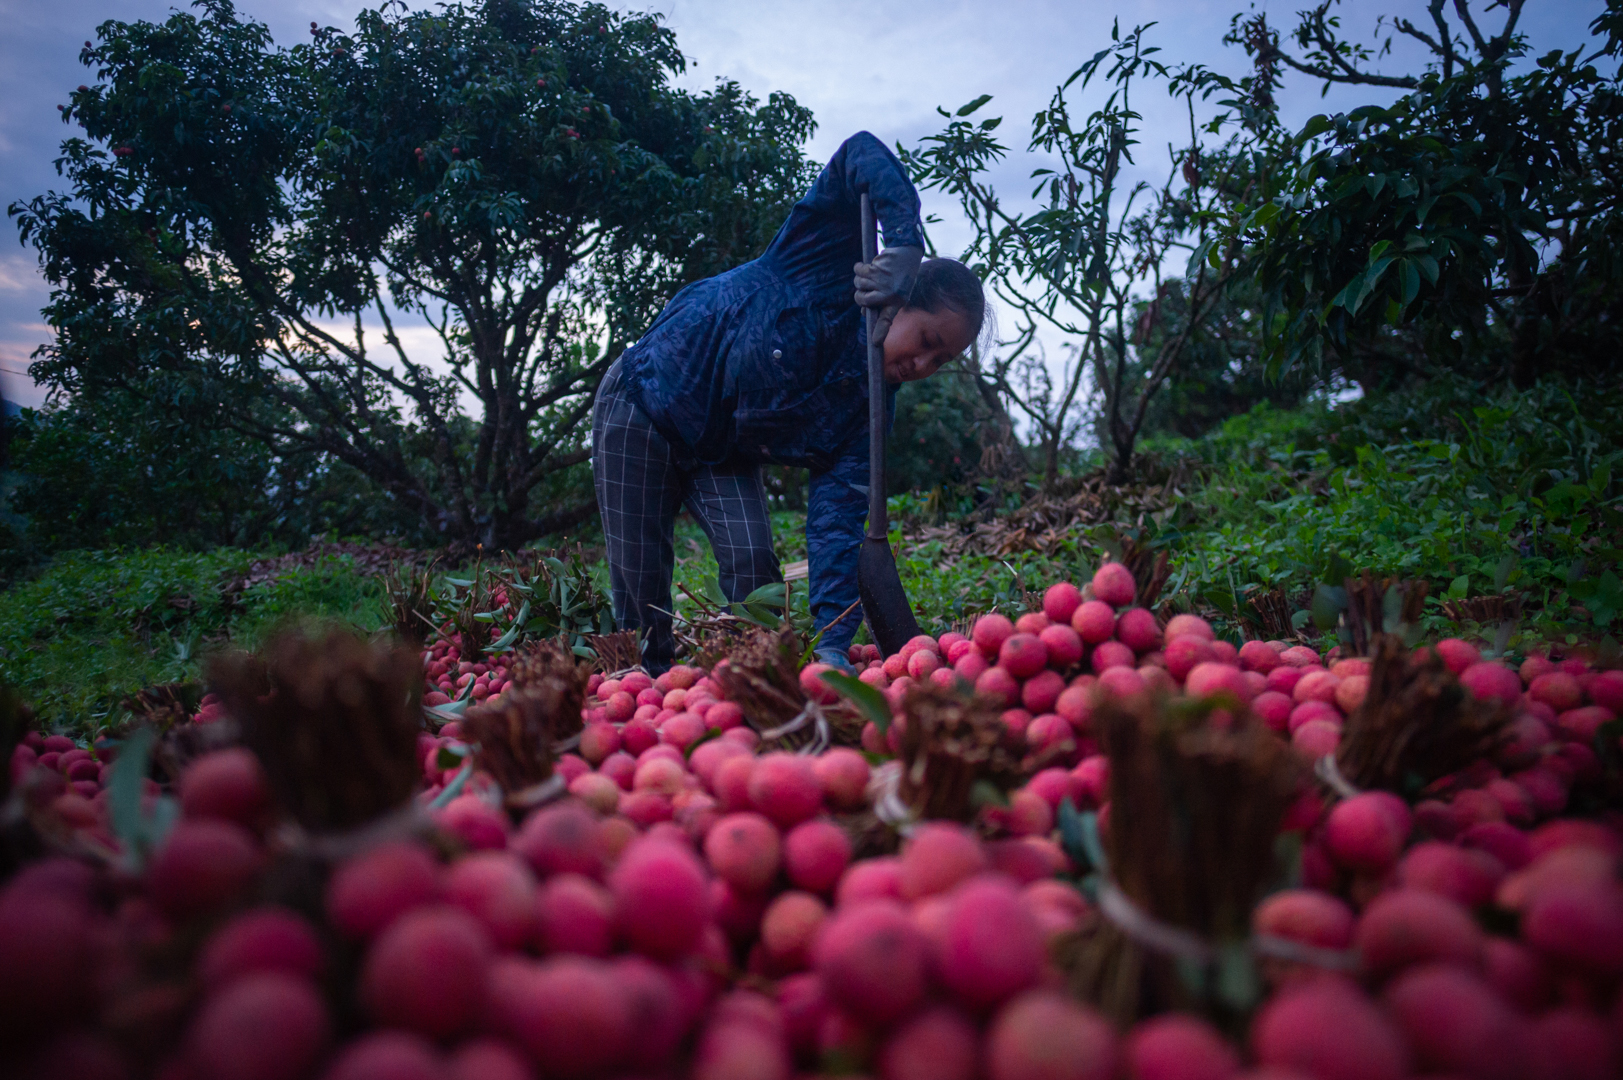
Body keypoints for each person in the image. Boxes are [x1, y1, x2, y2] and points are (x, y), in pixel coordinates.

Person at [592, 130, 986, 674]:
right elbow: (861, 153)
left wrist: (831, 641)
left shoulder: (868, 414)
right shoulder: (824, 261)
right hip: (643, 401)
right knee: (641, 588)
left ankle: (750, 682)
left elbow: (838, 523)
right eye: (926, 342)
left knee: (755, 569)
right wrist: (902, 243)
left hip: (718, 447)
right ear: (897, 299)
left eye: (940, 361)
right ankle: (642, 689)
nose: (923, 366)